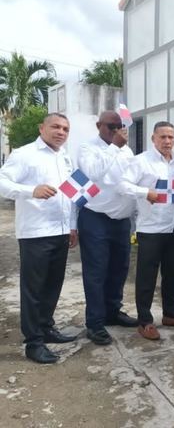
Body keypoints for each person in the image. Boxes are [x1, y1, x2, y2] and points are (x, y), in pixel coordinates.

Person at [0, 113, 78, 364]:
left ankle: (46, 327)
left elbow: (71, 193)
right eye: (55, 126)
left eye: (65, 129)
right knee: (34, 289)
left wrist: (73, 226)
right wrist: (30, 190)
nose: (61, 132)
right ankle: (33, 342)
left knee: (53, 284)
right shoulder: (24, 154)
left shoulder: (64, 157)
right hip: (35, 233)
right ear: (41, 128)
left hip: (61, 231)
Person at [119, 121, 174, 340]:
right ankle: (145, 320)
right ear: (153, 138)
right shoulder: (141, 161)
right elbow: (122, 185)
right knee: (147, 277)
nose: (167, 141)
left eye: (171, 137)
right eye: (163, 137)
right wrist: (144, 192)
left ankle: (171, 314)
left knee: (172, 274)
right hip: (151, 229)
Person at [77, 110, 138, 346]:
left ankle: (113, 312)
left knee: (119, 269)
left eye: (118, 126)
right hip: (96, 218)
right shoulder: (87, 148)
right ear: (98, 125)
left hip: (121, 220)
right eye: (110, 126)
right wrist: (114, 146)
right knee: (96, 272)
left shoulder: (127, 150)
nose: (115, 130)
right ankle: (95, 322)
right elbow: (92, 173)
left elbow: (129, 180)